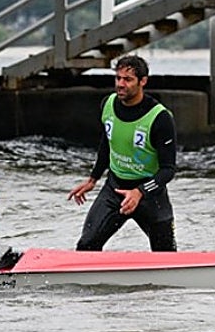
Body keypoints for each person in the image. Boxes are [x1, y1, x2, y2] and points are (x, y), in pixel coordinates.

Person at [66, 55, 177, 252]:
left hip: (150, 195)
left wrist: (139, 192)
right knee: (86, 245)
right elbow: (107, 144)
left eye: (128, 79)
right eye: (118, 78)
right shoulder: (108, 104)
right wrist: (93, 179)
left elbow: (168, 170)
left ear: (143, 81)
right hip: (115, 189)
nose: (120, 84)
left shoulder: (160, 118)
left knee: (166, 256)